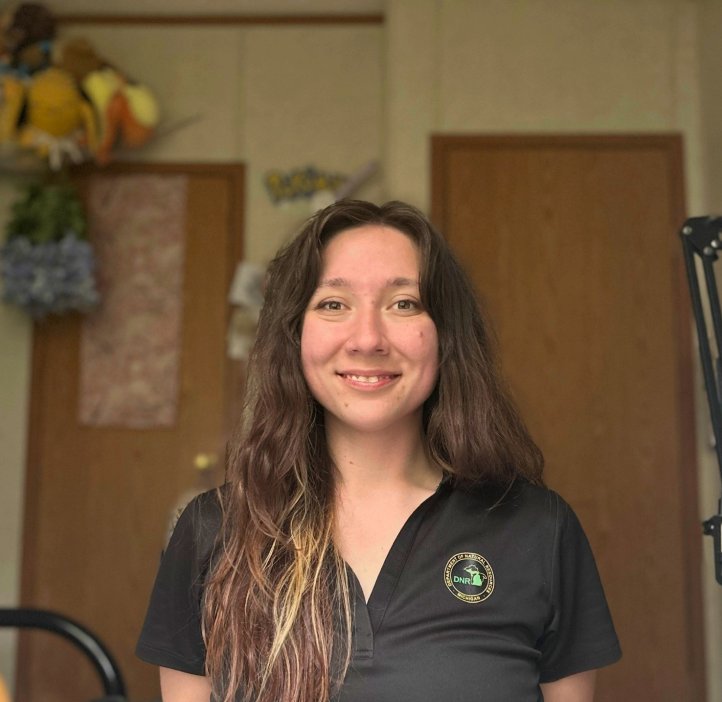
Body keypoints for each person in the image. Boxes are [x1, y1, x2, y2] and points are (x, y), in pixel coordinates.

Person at [136, 200, 621, 702]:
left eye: (404, 303)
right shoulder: (215, 530)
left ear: (445, 336)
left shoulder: (537, 528)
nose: (367, 339)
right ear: (294, 335)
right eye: (333, 304)